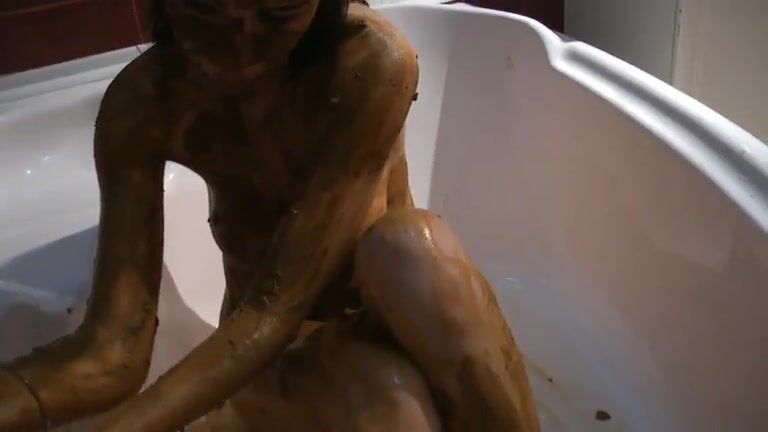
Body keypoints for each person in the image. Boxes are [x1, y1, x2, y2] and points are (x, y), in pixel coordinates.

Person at [0, 0, 540, 430]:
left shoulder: (369, 63)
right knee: (389, 400)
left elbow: (278, 303)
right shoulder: (146, 104)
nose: (241, 44)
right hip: (275, 358)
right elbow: (114, 351)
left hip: (369, 319)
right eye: (205, 8)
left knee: (413, 246)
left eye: (279, 12)